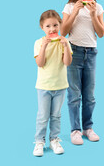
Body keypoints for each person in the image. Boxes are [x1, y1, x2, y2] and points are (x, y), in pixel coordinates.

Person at [61, 0, 104, 145]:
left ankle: (88, 128)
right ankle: (75, 131)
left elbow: (101, 33)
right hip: (74, 52)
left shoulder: (98, 7)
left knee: (90, 95)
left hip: (91, 53)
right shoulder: (69, 7)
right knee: (74, 95)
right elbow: (63, 31)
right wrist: (74, 13)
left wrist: (93, 14)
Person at [33, 10, 72, 156]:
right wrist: (44, 46)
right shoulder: (38, 43)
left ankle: (54, 139)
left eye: (55, 25)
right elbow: (40, 63)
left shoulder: (65, 42)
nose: (52, 29)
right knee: (43, 116)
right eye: (48, 26)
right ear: (42, 27)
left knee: (56, 115)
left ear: (60, 25)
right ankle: (39, 141)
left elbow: (67, 62)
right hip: (44, 86)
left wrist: (66, 46)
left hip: (61, 86)